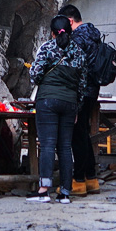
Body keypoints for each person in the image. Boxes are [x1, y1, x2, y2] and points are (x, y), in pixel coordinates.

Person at [28, 14, 88, 203]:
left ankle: (44, 190)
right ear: (70, 32)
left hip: (47, 101)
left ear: (52, 33)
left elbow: (35, 75)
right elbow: (82, 84)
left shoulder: (47, 48)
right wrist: (77, 108)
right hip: (69, 103)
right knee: (65, 147)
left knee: (47, 145)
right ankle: (65, 193)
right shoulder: (79, 52)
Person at [59, 3, 103, 196]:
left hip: (80, 91)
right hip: (93, 90)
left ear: (70, 21)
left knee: (77, 135)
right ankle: (91, 178)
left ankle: (78, 181)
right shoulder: (94, 35)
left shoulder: (77, 38)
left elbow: (74, 67)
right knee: (83, 133)